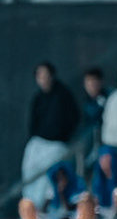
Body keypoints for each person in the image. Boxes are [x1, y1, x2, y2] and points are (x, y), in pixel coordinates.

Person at [23, 62, 80, 203]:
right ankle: (29, 209)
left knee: (47, 177)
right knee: (29, 171)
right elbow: (33, 122)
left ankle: (43, 208)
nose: (43, 79)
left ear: (52, 76)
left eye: (46, 75)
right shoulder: (38, 98)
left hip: (57, 145)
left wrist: (63, 135)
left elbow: (73, 117)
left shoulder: (64, 95)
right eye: (40, 76)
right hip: (38, 142)